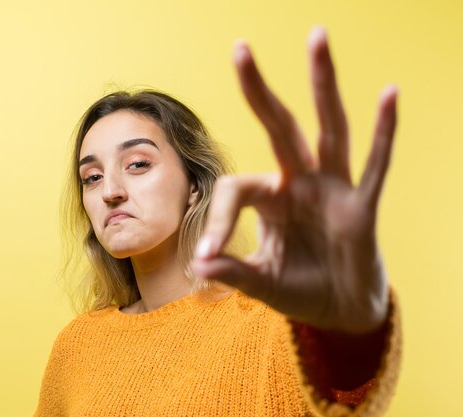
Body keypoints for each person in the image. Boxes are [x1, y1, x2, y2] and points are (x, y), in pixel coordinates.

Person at [33, 27, 401, 417]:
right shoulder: (77, 346)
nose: (111, 190)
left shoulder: (272, 327)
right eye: (92, 177)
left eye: (138, 164)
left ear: (194, 185)